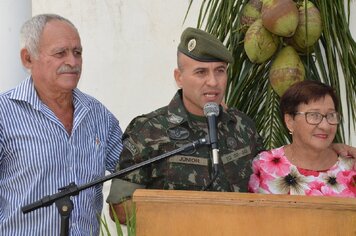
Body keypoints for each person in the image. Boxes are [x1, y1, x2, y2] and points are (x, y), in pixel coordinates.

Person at [107, 28, 356, 223]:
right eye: (201, 72)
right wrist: (188, 212)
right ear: (179, 77)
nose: (213, 82)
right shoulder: (149, 130)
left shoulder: (242, 127)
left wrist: (327, 148)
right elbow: (119, 208)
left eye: (220, 71)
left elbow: (274, 171)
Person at [0, 14, 123, 235]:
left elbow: (130, 172)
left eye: (78, 53)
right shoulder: (4, 114)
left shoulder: (98, 115)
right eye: (60, 53)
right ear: (28, 58)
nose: (72, 62)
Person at [248, 80, 356, 197]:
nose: (325, 126)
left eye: (331, 115)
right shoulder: (262, 166)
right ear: (290, 121)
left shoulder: (352, 166)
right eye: (314, 115)